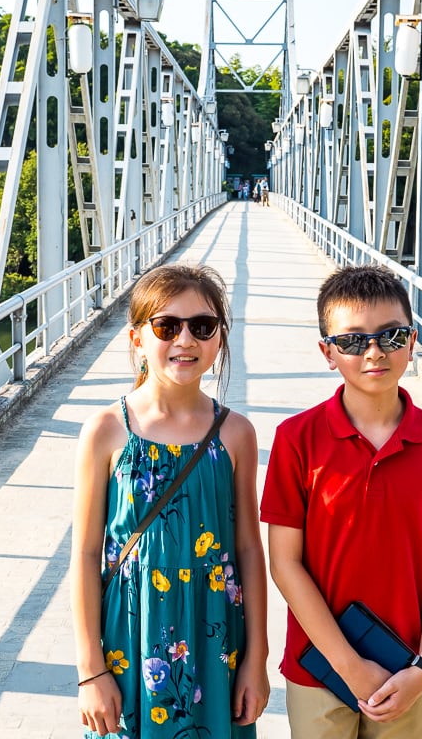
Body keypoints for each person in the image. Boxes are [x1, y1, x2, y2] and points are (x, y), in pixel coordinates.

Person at [261, 264, 422, 738]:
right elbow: (285, 564)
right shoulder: (297, 439)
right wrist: (350, 666)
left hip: (407, 669)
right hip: (320, 669)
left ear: (413, 341)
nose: (374, 351)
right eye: (352, 341)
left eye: (391, 336)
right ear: (327, 353)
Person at [72, 263, 270, 738]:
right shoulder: (106, 430)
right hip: (131, 633)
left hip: (216, 630)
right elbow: (83, 554)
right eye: (166, 326)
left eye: (202, 327)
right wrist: (90, 670)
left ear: (219, 338)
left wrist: (256, 659)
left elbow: (247, 550)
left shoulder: (236, 434)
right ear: (137, 338)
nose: (185, 340)